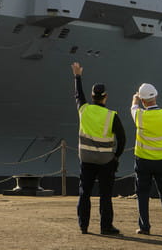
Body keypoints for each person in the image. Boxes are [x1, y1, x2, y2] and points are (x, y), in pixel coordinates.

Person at [71, 62, 125, 235]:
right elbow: (122, 138)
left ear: (93, 96)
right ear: (105, 97)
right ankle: (106, 227)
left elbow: (78, 95)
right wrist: (116, 156)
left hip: (86, 160)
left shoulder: (84, 110)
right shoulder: (111, 116)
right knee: (105, 195)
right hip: (105, 161)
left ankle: (83, 226)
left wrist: (77, 76)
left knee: (84, 193)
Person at [130, 83, 162, 235]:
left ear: (143, 100)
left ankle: (145, 227)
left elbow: (133, 108)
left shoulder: (140, 116)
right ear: (156, 96)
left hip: (143, 160)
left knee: (143, 194)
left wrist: (135, 100)